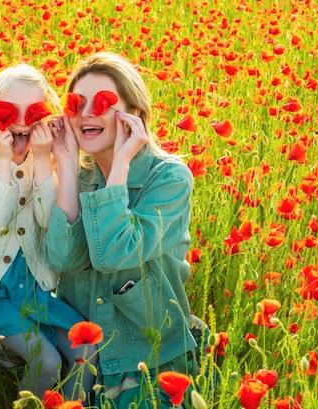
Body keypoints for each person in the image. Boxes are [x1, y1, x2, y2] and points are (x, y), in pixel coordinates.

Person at [46, 52, 203, 408]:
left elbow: (115, 253)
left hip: (147, 352)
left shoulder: (168, 178)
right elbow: (64, 259)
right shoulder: (79, 178)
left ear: (132, 114)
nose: (87, 112)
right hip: (83, 358)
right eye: (76, 103)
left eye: (102, 103)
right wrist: (67, 165)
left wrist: (121, 162)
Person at [0, 63, 95, 401]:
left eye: (33, 113)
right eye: (6, 112)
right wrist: (5, 160)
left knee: (86, 351)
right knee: (46, 360)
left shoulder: (45, 161)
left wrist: (45, 160)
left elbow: (49, 220)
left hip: (37, 292)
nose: (20, 122)